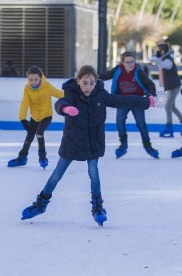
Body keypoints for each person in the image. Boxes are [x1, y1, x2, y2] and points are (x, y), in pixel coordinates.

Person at [20, 65, 154, 226]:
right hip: (72, 142)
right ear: (78, 81)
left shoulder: (100, 95)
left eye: (91, 83)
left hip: (92, 142)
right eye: (85, 83)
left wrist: (149, 101)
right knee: (56, 174)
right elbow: (60, 103)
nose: (88, 86)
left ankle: (98, 208)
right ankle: (41, 205)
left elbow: (123, 100)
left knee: (94, 174)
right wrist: (65, 108)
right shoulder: (71, 94)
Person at [99, 51, 159, 159]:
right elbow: (104, 76)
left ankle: (148, 147)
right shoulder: (117, 70)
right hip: (122, 100)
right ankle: (123, 145)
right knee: (120, 122)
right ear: (122, 63)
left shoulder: (138, 71)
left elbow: (150, 84)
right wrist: (90, 78)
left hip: (137, 101)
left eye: (132, 61)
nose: (131, 64)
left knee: (141, 124)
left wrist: (151, 95)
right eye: (128, 62)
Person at [7, 66, 64, 169]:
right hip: (34, 117)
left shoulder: (47, 86)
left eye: (35, 79)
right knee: (29, 137)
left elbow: (59, 94)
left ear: (40, 78)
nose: (33, 82)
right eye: (30, 80)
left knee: (39, 134)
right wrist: (23, 119)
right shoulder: (27, 88)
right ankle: (22, 158)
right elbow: (25, 103)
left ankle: (43, 158)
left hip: (46, 116)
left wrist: (72, 96)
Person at [156, 42, 182, 137]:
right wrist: (159, 58)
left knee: (167, 106)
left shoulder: (168, 60)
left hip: (174, 86)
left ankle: (169, 128)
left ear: (163, 51)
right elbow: (159, 65)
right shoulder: (165, 59)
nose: (158, 52)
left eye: (160, 50)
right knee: (172, 107)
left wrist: (158, 58)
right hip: (171, 86)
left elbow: (162, 65)